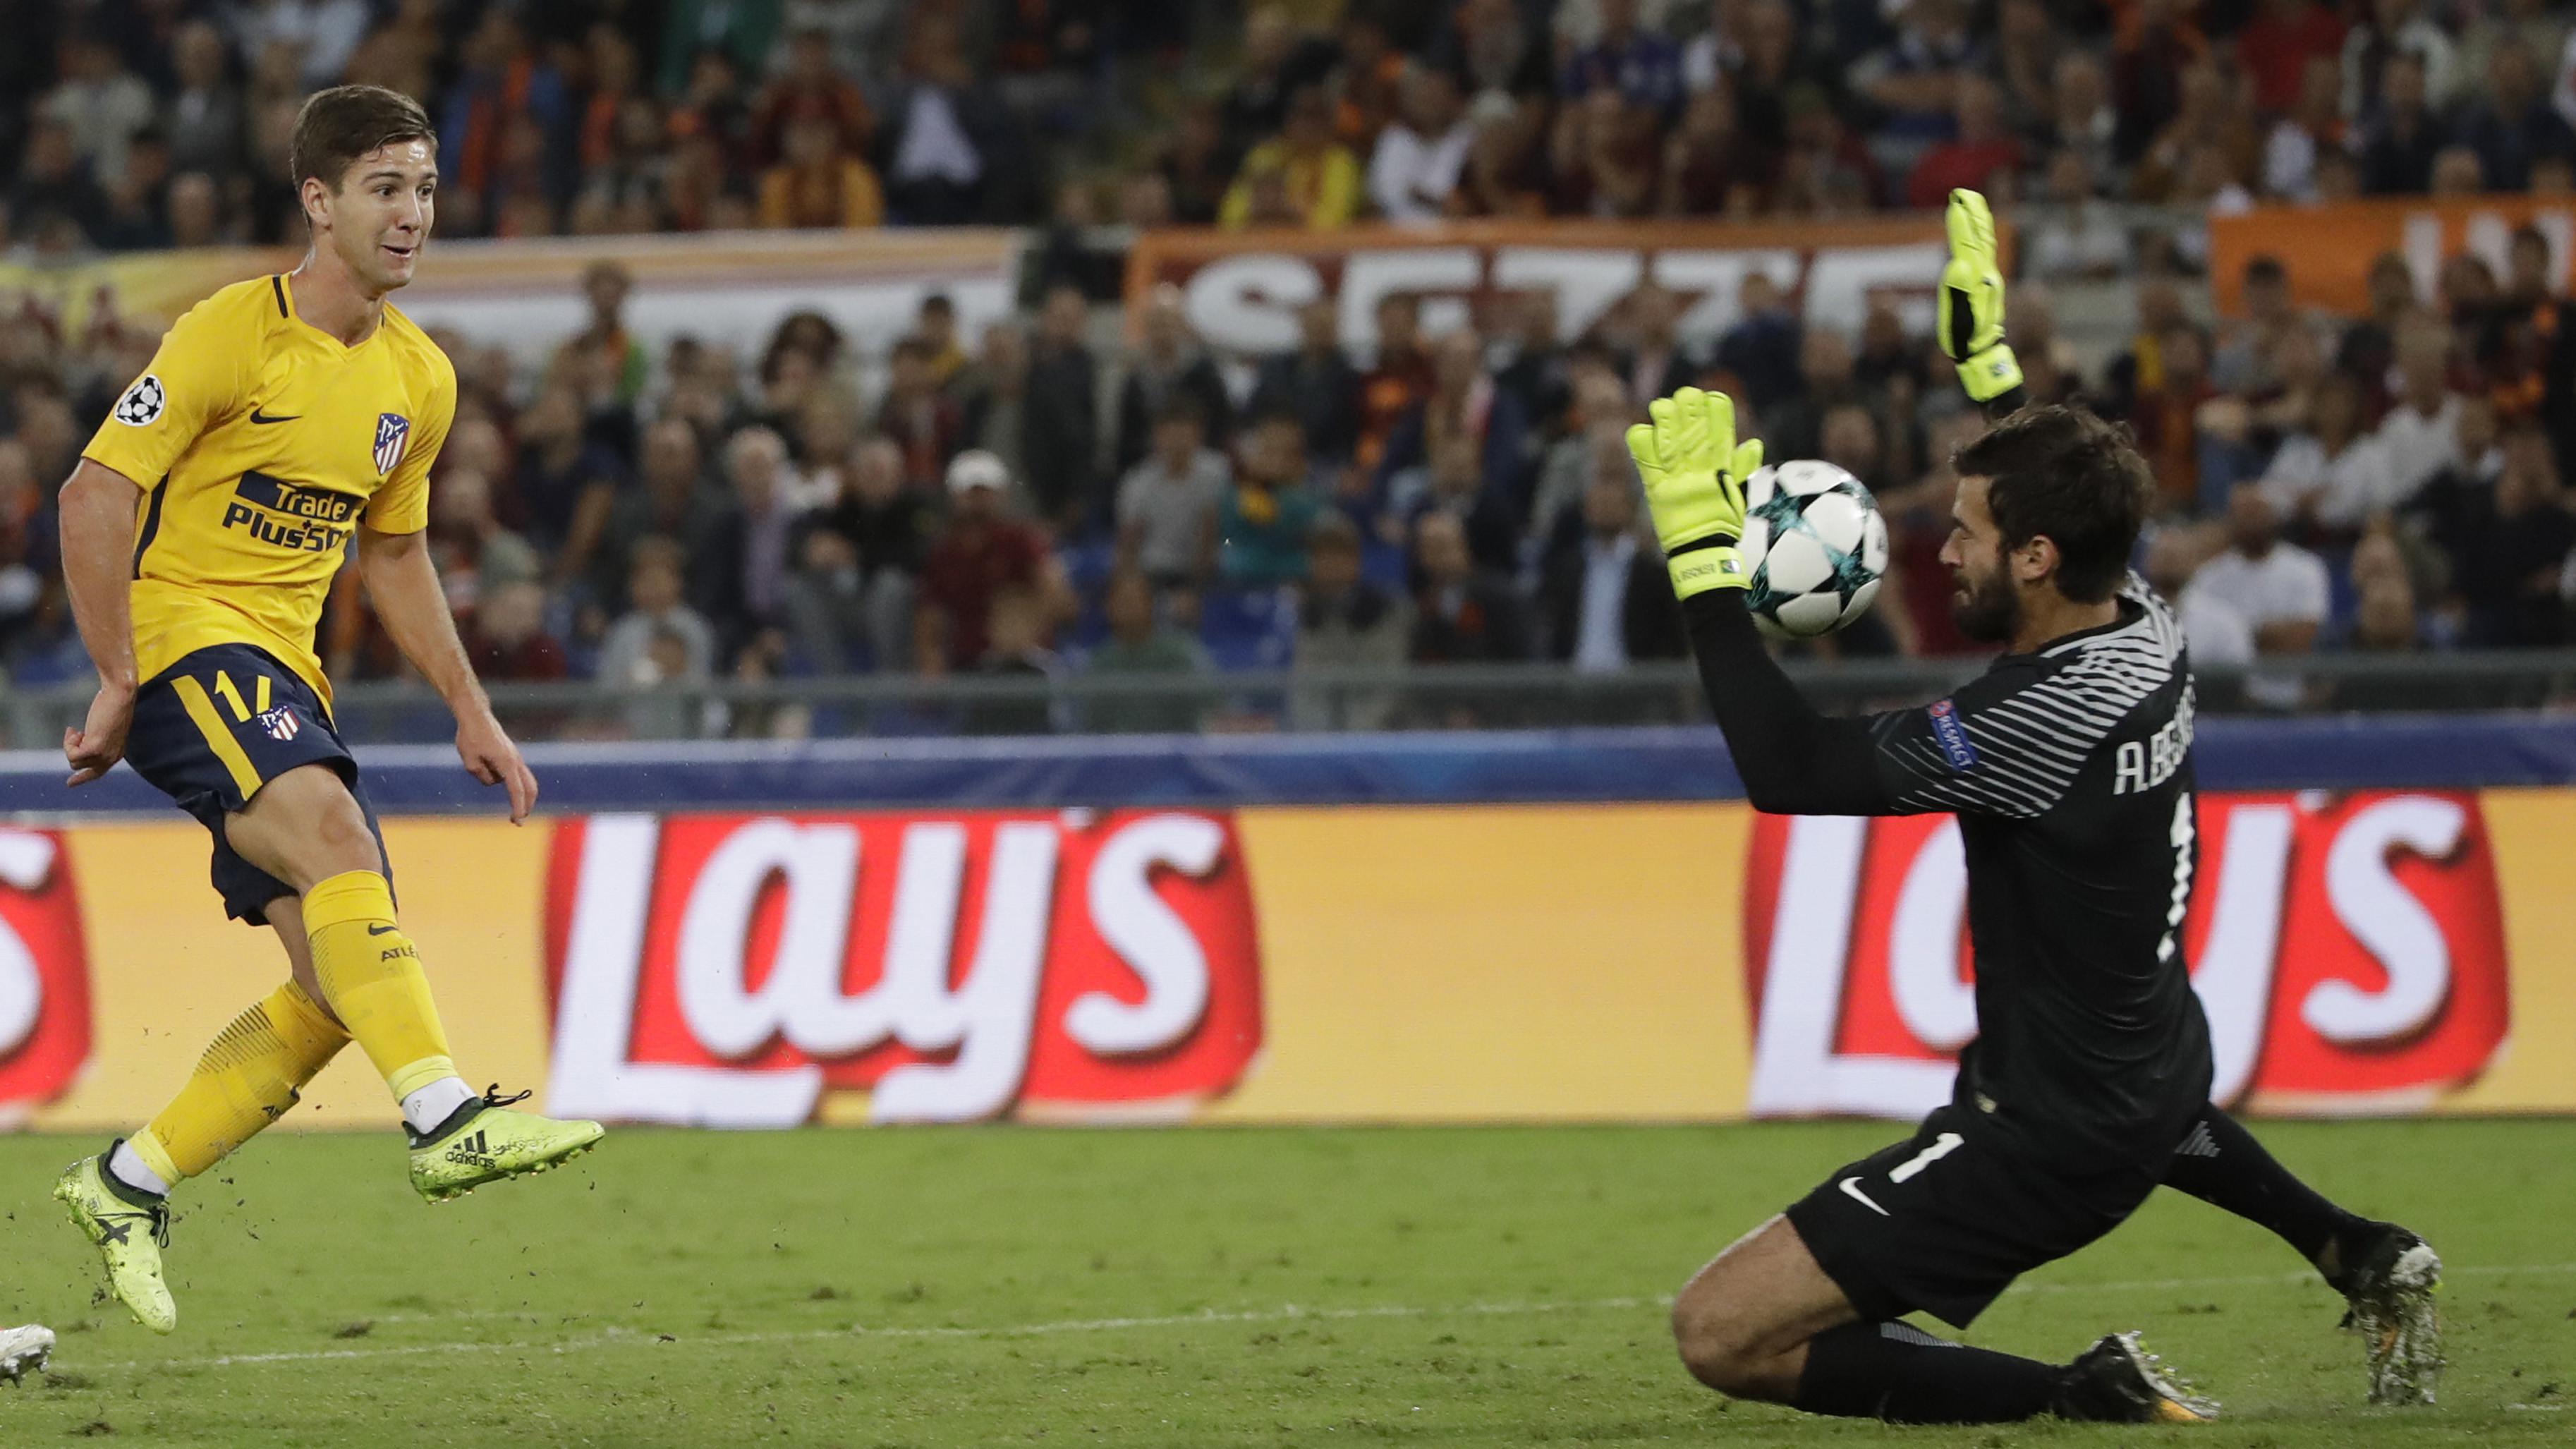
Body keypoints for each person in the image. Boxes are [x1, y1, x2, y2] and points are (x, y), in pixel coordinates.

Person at [1629, 190, 2439, 1426]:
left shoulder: (2034, 720)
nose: (1943, 550)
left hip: (2045, 1135)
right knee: (2140, 1098)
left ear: (2037, 557)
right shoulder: (2144, 621)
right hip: (2153, 1057)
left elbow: (1790, 768)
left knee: (1722, 1330)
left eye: (1966, 532)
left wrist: (1699, 559)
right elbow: (2083, 488)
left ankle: (2083, 1394)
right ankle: (2358, 1246)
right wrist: (1992, 374)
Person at [50, 86, 602, 1336]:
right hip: (189, 644)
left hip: (283, 677)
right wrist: (119, 675)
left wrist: (472, 708)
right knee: (344, 844)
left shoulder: (421, 378)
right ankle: (444, 1115)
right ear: (319, 200)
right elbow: (94, 494)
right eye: (385, 189)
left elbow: (394, 557)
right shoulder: (229, 332)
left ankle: (126, 1182)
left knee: (337, 978)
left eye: (426, 189)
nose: (413, 215)